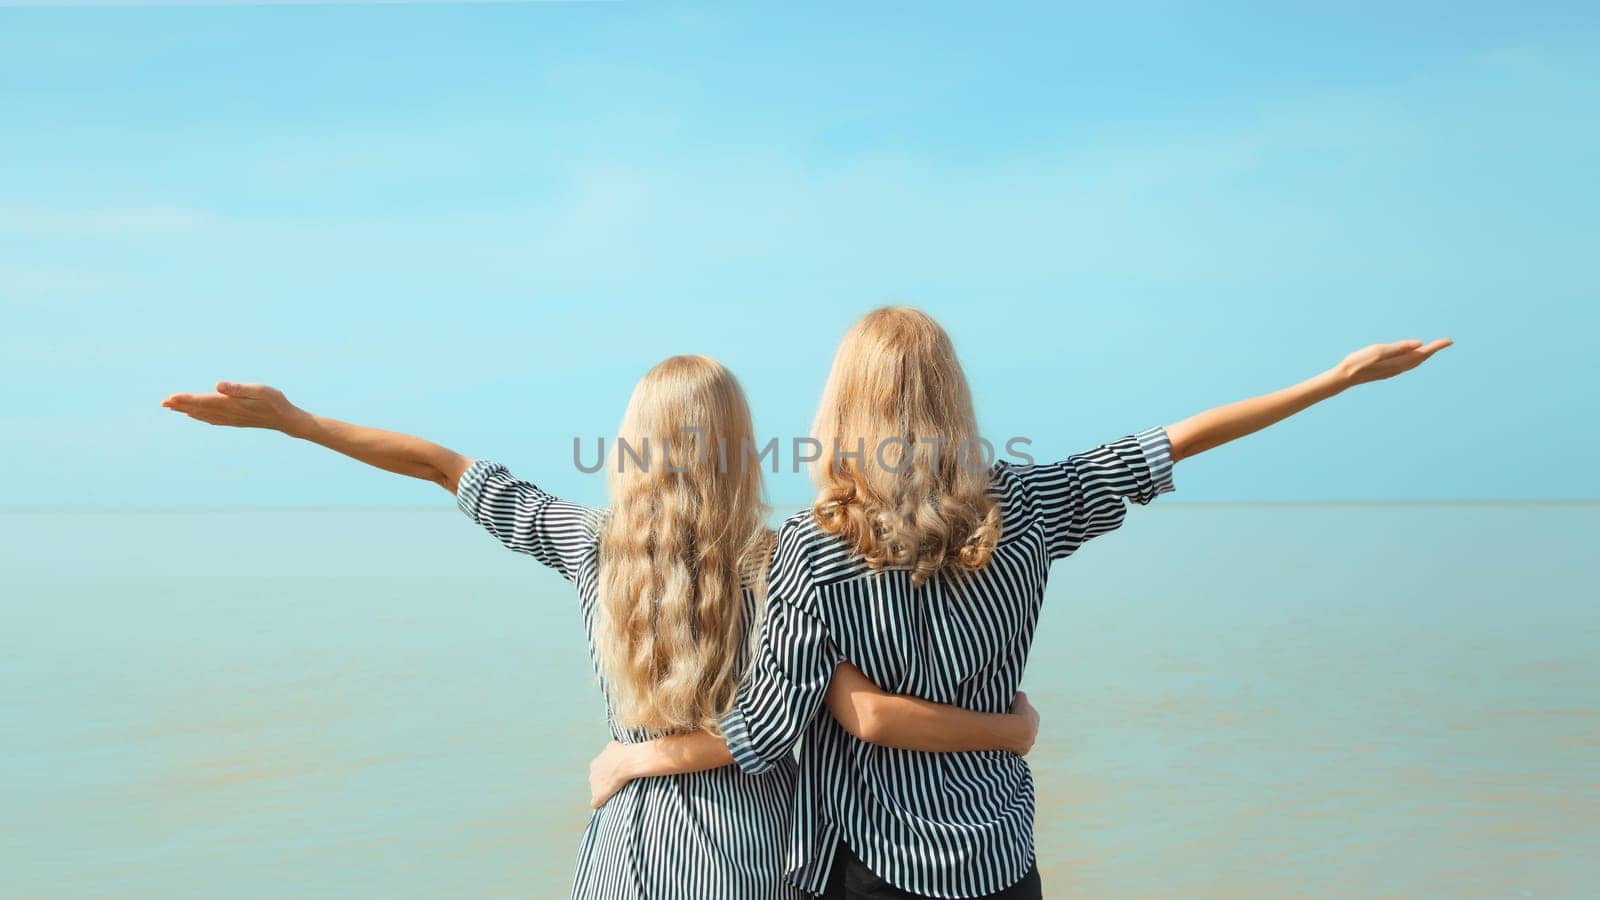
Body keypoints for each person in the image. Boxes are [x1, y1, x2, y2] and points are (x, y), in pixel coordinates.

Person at [592, 311, 1452, 900]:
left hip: (869, 859)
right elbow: (1174, 439)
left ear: (844, 407)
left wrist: (636, 759)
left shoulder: (813, 551)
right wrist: (1332, 382)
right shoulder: (1029, 506)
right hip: (999, 853)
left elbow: (770, 731)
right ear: (951, 396)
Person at [160, 353, 1040, 899]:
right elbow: (816, 718)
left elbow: (441, 466)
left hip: (631, 847)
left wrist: (295, 422)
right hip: (758, 851)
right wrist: (1005, 720)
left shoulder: (589, 545)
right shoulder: (785, 561)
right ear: (736, 446)